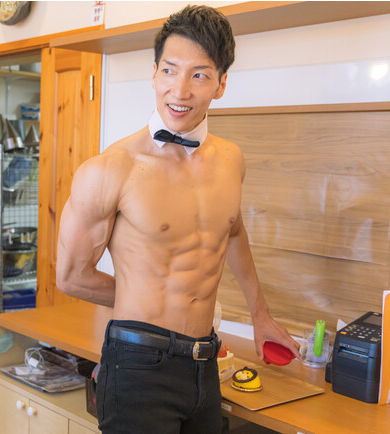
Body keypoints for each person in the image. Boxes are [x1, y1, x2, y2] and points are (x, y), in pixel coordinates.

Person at [56, 5, 300, 434]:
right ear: (153, 74)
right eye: (169, 71)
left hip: (205, 361)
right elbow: (71, 277)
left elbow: (233, 233)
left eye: (199, 75)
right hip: (138, 363)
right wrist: (146, 298)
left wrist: (260, 315)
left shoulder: (231, 160)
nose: (180, 90)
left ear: (221, 84)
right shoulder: (110, 169)